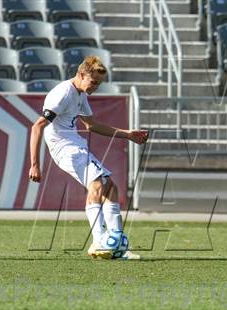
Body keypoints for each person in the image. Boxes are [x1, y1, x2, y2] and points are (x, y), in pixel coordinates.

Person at [29, 56, 148, 258]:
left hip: (75, 145)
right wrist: (34, 165)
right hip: (65, 148)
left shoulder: (81, 94)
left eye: (99, 84)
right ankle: (100, 241)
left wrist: (127, 134)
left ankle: (116, 245)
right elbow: (37, 126)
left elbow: (92, 126)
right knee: (97, 185)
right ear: (81, 75)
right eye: (93, 82)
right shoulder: (63, 93)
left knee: (110, 187)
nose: (96, 87)